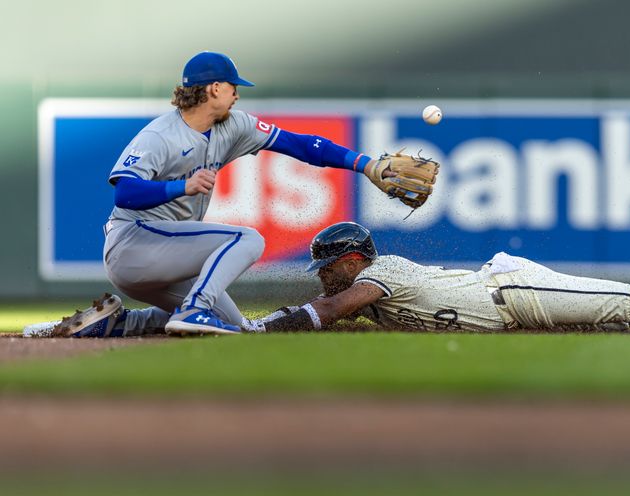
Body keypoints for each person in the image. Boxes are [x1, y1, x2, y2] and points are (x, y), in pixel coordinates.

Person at [48, 51, 424, 337]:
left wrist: (366, 164)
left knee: (239, 329)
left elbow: (302, 146)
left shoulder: (234, 126)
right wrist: (182, 186)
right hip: (133, 245)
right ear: (214, 89)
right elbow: (124, 194)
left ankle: (119, 322)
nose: (237, 95)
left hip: (167, 257)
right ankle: (193, 306)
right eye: (233, 87)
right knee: (248, 238)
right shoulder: (160, 136)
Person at [253, 222, 630, 334]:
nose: (323, 277)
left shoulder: (377, 274)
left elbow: (326, 312)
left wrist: (262, 328)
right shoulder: (363, 290)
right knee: (618, 312)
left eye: (327, 267)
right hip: (503, 297)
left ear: (351, 260)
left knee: (624, 304)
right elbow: (327, 310)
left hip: (508, 296)